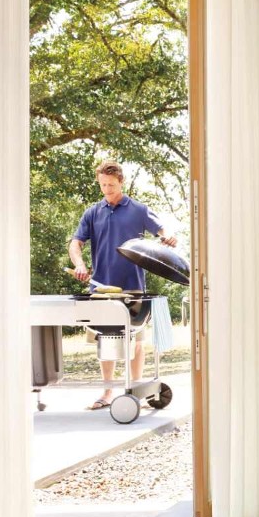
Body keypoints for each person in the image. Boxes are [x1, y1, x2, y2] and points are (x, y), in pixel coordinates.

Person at [68, 159, 177, 409]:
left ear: (121, 182)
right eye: (103, 185)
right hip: (101, 287)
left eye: (111, 185)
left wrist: (167, 236)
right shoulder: (92, 212)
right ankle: (107, 393)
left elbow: (162, 229)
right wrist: (80, 264)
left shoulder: (138, 210)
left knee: (136, 339)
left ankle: (134, 389)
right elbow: (76, 244)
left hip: (133, 285)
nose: (107, 190)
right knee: (105, 340)